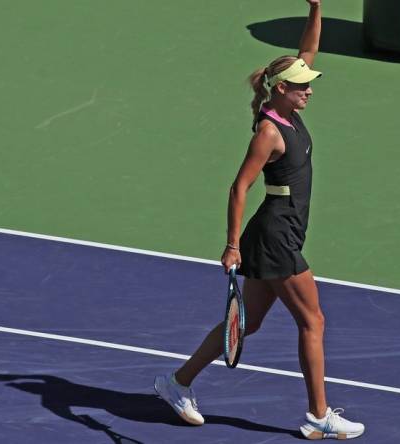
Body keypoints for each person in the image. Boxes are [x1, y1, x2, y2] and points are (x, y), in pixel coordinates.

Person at [154, 1, 364, 439]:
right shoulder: (270, 131)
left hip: (278, 233)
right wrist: (232, 245)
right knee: (314, 321)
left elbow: (310, 47)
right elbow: (239, 188)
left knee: (249, 320)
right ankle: (318, 414)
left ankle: (176, 383)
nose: (310, 89)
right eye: (302, 86)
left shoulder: (288, 106)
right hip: (275, 238)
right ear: (282, 89)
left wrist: (316, 7)